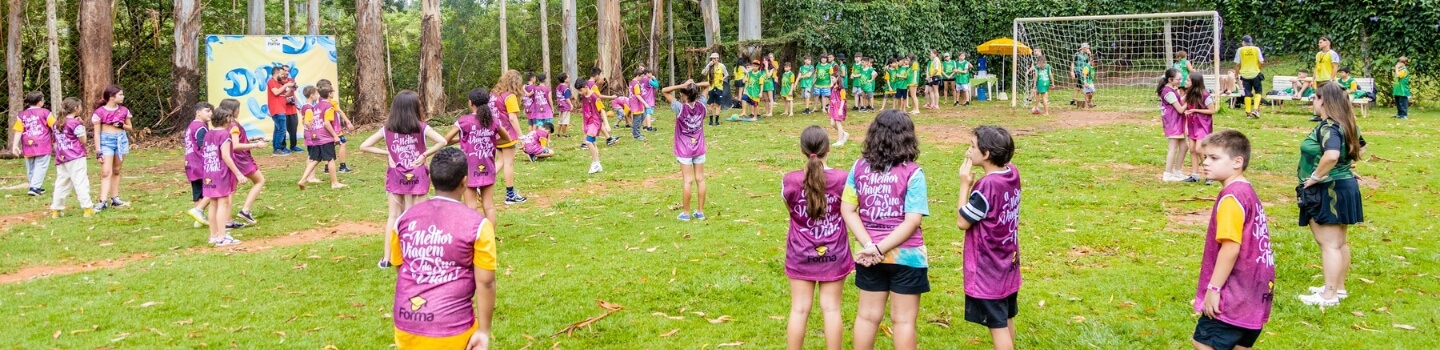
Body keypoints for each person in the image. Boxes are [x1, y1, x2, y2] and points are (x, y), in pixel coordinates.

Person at [390, 147, 497, 350]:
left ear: (431, 180)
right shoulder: (478, 225)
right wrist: (483, 330)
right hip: (453, 328)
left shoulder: (404, 219)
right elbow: (486, 283)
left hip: (406, 324)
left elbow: (401, 268)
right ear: (465, 182)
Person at [842, 110, 929, 350]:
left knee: (867, 317)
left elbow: (848, 210)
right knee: (903, 321)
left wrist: (870, 246)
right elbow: (912, 221)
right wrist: (879, 247)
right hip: (907, 257)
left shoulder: (858, 168)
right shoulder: (913, 173)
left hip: (869, 257)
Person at [1190, 129, 1276, 350]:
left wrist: (1214, 289)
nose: (1205, 163)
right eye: (1205, 157)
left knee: (1202, 343)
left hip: (1234, 294)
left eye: (1214, 158)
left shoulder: (1231, 197)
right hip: (1255, 293)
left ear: (1238, 161)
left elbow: (1230, 247)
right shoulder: (1247, 191)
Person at [359, 90, 449, 268]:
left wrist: (388, 153)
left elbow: (364, 146)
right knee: (420, 215)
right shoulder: (422, 127)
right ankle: (419, 255)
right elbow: (442, 141)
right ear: (415, 108)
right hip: (418, 174)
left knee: (393, 216)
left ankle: (387, 258)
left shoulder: (387, 129)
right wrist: (424, 154)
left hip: (396, 174)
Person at [1297, 83, 1366, 307]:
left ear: (1323, 100)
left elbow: (1332, 154)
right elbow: (1360, 148)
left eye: (1314, 98)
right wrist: (1346, 169)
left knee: (1328, 243)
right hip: (1344, 185)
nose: (1312, 102)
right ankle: (1339, 288)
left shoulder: (1328, 127)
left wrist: (1317, 177)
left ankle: (1329, 295)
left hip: (1329, 189)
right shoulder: (1348, 123)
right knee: (1339, 242)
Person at [783, 126, 852, 350]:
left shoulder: (789, 181)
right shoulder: (843, 179)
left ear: (802, 150)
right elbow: (850, 210)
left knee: (799, 309)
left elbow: (790, 210)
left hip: (800, 253)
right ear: (828, 149)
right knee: (831, 309)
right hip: (834, 253)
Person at [955, 125, 1022, 350]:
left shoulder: (986, 187)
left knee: (997, 325)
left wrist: (965, 184)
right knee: (1005, 317)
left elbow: (962, 222)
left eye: (972, 146)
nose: (968, 150)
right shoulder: (1012, 173)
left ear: (986, 155)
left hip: (988, 270)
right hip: (1008, 264)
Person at [445, 88, 510, 222]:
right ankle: (490, 239)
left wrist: (462, 139)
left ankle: (471, 238)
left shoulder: (464, 121)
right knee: (489, 206)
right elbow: (507, 139)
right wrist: (491, 140)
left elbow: (446, 140)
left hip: (469, 169)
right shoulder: (494, 120)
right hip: (488, 167)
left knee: (471, 206)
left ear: (471, 102)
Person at [663, 80, 711, 221]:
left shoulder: (680, 108)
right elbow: (708, 84)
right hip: (699, 147)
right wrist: (693, 84)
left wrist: (681, 85)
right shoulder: (702, 105)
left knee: (687, 181)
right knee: (700, 179)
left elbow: (665, 90)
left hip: (684, 149)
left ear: (684, 95)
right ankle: (700, 212)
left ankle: (686, 213)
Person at [200, 99, 246, 247]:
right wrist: (238, 173)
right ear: (226, 119)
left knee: (213, 204)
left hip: (209, 172)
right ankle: (222, 237)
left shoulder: (208, 134)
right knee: (223, 203)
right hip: (220, 173)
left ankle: (213, 235)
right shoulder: (224, 135)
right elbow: (226, 156)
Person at [228, 99, 272, 227]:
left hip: (232, 159)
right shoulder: (234, 125)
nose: (239, 111)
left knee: (231, 190)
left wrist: (252, 138)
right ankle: (245, 210)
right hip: (241, 158)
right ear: (233, 110)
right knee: (260, 180)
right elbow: (235, 145)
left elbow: (234, 141)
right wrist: (255, 145)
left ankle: (227, 220)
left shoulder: (227, 125)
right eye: (238, 108)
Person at [49, 97, 94, 218]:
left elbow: (55, 141)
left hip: (62, 157)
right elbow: (83, 140)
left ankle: (56, 210)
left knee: (61, 183)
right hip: (76, 156)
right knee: (80, 182)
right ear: (75, 108)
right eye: (80, 106)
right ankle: (87, 208)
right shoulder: (75, 123)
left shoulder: (56, 123)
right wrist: (82, 125)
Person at [297, 86, 347, 190]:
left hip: (315, 136)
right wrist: (335, 136)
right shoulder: (328, 106)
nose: (333, 93)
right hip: (325, 137)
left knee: (315, 159)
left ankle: (302, 179)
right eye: (332, 91)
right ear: (329, 94)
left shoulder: (315, 106)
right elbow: (327, 123)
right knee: (330, 159)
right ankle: (335, 183)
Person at [92, 86, 133, 211]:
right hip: (106, 142)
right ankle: (102, 201)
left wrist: (122, 125)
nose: (123, 96)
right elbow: (97, 133)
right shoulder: (99, 112)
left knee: (116, 170)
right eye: (120, 94)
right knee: (106, 172)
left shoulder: (124, 110)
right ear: (112, 97)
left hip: (121, 140)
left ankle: (115, 198)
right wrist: (98, 151)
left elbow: (130, 127)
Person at [491, 70, 529, 205]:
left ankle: (481, 184)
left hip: (495, 133)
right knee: (509, 163)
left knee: (501, 161)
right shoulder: (510, 97)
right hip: (507, 134)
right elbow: (512, 117)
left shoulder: (494, 95)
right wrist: (521, 136)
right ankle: (510, 195)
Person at [11, 92, 53, 197]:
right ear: (40, 102)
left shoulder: (22, 115)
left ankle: (34, 185)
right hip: (43, 144)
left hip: (27, 145)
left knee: (30, 167)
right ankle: (34, 187)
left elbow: (18, 131)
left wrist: (15, 145)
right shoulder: (46, 112)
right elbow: (54, 126)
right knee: (41, 165)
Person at [579, 78, 620, 173]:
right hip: (587, 123)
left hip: (595, 122)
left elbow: (602, 110)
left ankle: (596, 163)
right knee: (593, 143)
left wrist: (606, 124)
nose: (580, 93)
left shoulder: (594, 97)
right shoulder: (584, 97)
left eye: (581, 90)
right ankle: (597, 164)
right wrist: (583, 124)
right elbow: (584, 112)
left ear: (586, 87)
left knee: (588, 142)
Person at [1182, 74, 1219, 184]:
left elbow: (1212, 111)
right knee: (1192, 149)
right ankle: (1195, 175)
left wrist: (1196, 111)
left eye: (1188, 80)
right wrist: (1186, 126)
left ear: (1194, 82)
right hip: (1192, 125)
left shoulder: (1205, 95)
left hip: (1203, 126)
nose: (1186, 81)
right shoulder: (1189, 94)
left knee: (1199, 149)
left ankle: (1210, 174)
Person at [315, 79, 355, 173]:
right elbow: (339, 111)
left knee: (328, 148)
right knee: (343, 144)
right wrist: (348, 122)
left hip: (323, 131)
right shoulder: (331, 103)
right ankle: (342, 166)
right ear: (328, 92)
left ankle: (327, 168)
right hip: (334, 129)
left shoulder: (319, 103)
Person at [183, 103, 214, 226]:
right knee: (214, 189)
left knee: (198, 192)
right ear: (198, 112)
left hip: (190, 163)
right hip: (200, 164)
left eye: (211, 111)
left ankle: (198, 220)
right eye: (207, 111)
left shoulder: (191, 125)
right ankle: (198, 210)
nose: (210, 113)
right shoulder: (201, 127)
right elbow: (203, 146)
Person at [1158, 68, 1188, 182]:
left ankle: (1177, 171)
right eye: (1178, 79)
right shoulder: (1168, 92)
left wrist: (1189, 96)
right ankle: (1167, 174)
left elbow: (1179, 100)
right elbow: (1180, 109)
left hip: (1177, 122)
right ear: (1170, 79)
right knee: (1173, 148)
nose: (1180, 81)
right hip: (1173, 123)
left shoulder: (1172, 90)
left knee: (1184, 147)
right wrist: (1189, 102)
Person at [267, 66, 299, 155]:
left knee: (279, 129)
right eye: (281, 74)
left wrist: (291, 89)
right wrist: (286, 85)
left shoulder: (279, 83)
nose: (283, 75)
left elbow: (284, 95)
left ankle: (278, 147)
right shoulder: (271, 82)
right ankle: (278, 148)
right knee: (282, 129)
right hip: (276, 109)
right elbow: (276, 92)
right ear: (276, 74)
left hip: (282, 108)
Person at [1234, 35, 1265, 119]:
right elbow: (1261, 62)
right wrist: (1258, 68)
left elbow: (1237, 64)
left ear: (1243, 42)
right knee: (1258, 92)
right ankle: (1255, 110)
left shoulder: (1240, 50)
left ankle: (1248, 112)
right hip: (1255, 74)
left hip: (1244, 75)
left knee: (1247, 93)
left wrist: (1236, 74)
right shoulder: (1256, 49)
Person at [703, 53, 730, 125]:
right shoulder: (709, 66)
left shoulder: (722, 66)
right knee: (710, 105)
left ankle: (717, 121)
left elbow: (727, 74)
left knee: (718, 104)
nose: (713, 60)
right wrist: (708, 65)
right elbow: (703, 73)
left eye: (715, 58)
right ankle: (711, 121)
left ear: (718, 59)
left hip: (719, 87)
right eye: (712, 59)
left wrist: (722, 78)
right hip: (711, 87)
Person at [828, 78, 849, 147]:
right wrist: (829, 107)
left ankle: (840, 141)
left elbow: (843, 100)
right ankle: (844, 133)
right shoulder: (832, 88)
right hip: (833, 107)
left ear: (837, 78)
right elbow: (831, 98)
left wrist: (840, 109)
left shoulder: (842, 90)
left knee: (838, 123)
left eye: (833, 78)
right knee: (832, 123)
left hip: (838, 107)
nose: (831, 79)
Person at [1071, 43, 1092, 108]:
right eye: (1087, 48)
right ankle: (1089, 103)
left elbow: (1090, 63)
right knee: (1084, 86)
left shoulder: (1086, 55)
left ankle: (1073, 100)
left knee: (1079, 87)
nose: (1088, 49)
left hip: (1084, 72)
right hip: (1078, 71)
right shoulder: (1077, 54)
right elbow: (1072, 63)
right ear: (1084, 48)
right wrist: (1072, 71)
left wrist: (1090, 55)